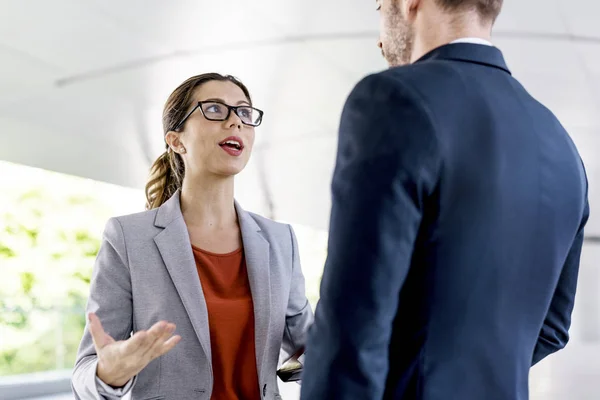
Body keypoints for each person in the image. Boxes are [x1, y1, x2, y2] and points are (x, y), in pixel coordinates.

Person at [300, 0, 590, 399]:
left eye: (381, 5)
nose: (381, 24)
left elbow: (352, 325)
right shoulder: (561, 143)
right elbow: (552, 328)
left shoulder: (393, 98)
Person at [71, 73, 313, 400]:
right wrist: (108, 374)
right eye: (214, 109)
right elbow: (87, 370)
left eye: (244, 112)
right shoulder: (128, 238)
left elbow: (309, 346)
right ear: (176, 140)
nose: (235, 122)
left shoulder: (280, 240)